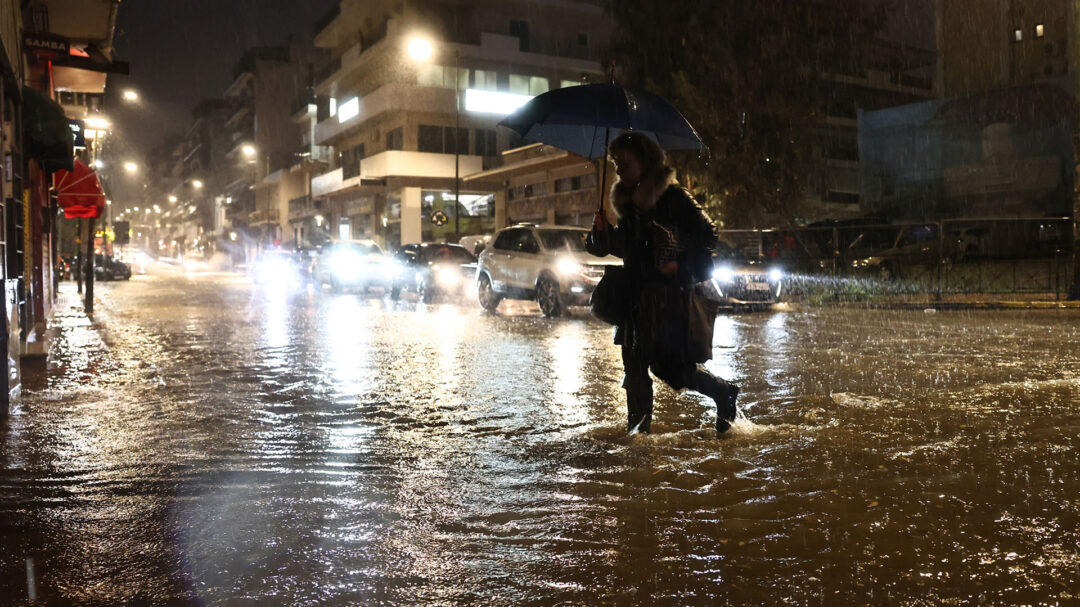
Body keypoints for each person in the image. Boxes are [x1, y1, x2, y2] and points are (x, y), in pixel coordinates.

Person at [586, 131, 739, 434]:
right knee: (634, 367)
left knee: (670, 368)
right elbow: (624, 247)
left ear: (645, 161)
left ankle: (723, 392)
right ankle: (637, 437)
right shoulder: (627, 204)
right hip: (634, 297)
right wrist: (599, 235)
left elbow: (708, 235)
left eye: (624, 162)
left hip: (666, 298)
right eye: (615, 163)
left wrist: (679, 264)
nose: (619, 168)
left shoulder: (673, 196)